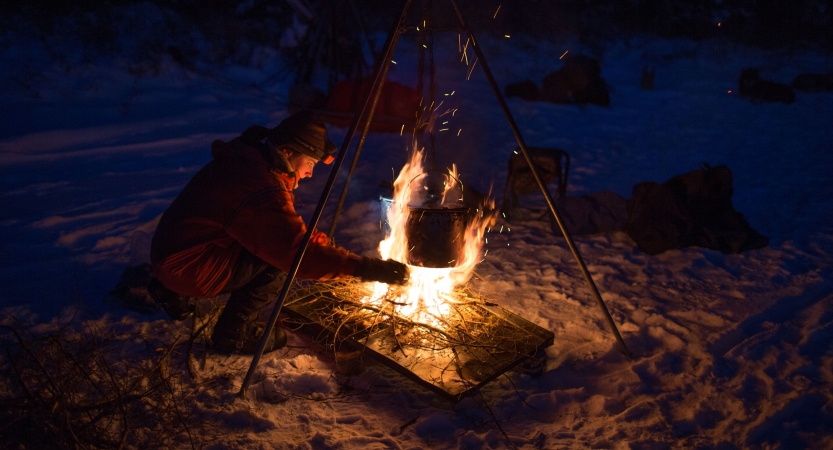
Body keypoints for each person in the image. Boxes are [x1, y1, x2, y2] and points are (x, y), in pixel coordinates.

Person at [147, 111, 408, 355]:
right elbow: (297, 253)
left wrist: (332, 252)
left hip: (173, 252)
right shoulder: (260, 188)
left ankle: (170, 290)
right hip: (187, 267)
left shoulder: (249, 161)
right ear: (287, 151)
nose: (309, 172)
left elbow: (288, 229)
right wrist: (365, 268)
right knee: (280, 262)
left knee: (275, 245)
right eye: (309, 163)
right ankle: (233, 334)